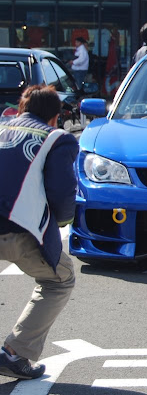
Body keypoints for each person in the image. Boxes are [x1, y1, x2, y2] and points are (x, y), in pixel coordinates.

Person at [0, 85, 79, 380]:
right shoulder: (57, 139)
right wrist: (61, 222)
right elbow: (62, 191)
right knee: (59, 279)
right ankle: (15, 352)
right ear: (55, 117)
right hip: (18, 227)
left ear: (21, 108)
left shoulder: (1, 127)